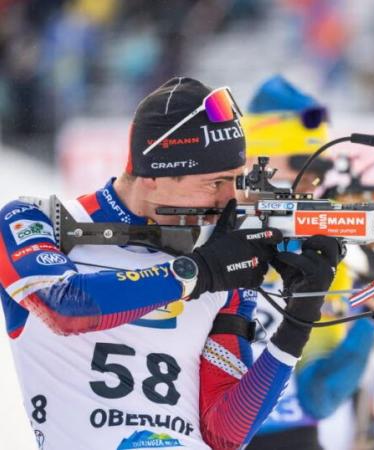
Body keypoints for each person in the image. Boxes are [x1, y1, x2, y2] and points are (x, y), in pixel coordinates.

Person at [0, 77, 342, 450]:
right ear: (152, 177)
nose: (230, 201)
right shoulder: (38, 220)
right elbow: (64, 307)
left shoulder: (215, 254)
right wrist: (195, 273)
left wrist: (297, 323)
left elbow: (223, 433)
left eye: (236, 181)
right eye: (215, 183)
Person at [241, 75, 374, 450]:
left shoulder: (318, 244)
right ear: (255, 162)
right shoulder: (192, 230)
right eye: (304, 169)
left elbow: (319, 393)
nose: (313, 188)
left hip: (287, 437)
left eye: (319, 174)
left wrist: (372, 316)